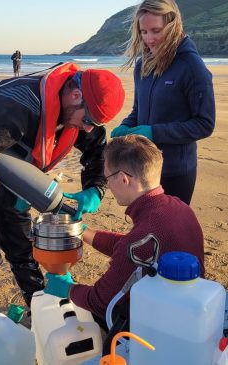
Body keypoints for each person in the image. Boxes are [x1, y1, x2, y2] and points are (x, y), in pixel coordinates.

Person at [0, 62, 125, 328]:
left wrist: (95, 187)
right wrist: (7, 197)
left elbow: (97, 150)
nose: (88, 129)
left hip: (10, 169)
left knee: (24, 248)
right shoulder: (12, 107)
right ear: (75, 95)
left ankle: (44, 313)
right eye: (89, 120)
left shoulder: (78, 114)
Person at [45, 135, 205, 329]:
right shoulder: (178, 207)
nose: (108, 185)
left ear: (123, 178)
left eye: (107, 178)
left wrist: (67, 289)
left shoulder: (144, 235)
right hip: (189, 307)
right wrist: (80, 231)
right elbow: (129, 246)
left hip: (162, 325)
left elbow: (101, 302)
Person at [110, 0, 215, 205]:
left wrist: (154, 133)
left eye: (156, 30)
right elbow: (138, 110)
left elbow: (204, 124)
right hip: (141, 168)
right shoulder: (142, 65)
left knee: (169, 234)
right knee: (144, 230)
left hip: (176, 171)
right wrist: (126, 125)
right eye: (144, 32)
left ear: (172, 25)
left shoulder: (192, 67)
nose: (149, 39)